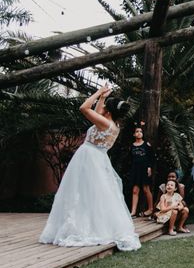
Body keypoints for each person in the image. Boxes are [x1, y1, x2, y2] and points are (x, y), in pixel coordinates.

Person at [39, 85, 140, 251]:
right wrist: (102, 98)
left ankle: (83, 228)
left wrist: (98, 93)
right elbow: (97, 113)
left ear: (109, 110)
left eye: (105, 106)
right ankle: (95, 226)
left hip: (89, 157)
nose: (103, 108)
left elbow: (84, 108)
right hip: (98, 159)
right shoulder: (112, 124)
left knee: (82, 191)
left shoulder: (104, 123)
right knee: (94, 194)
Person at [129, 124, 154, 218]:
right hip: (135, 170)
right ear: (134, 134)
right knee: (135, 190)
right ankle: (133, 211)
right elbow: (130, 159)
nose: (139, 133)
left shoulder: (146, 145)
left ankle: (151, 209)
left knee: (146, 189)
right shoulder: (132, 146)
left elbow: (151, 158)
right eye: (137, 131)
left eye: (140, 131)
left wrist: (149, 167)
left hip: (145, 169)